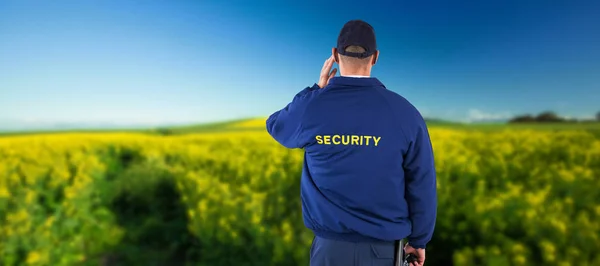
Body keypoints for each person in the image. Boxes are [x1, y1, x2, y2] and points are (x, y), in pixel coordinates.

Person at [266, 19, 437, 266]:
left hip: (329, 252)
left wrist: (316, 89)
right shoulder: (405, 113)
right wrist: (419, 241)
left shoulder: (313, 107)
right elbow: (422, 182)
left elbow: (276, 125)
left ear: (335, 55)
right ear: (375, 57)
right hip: (385, 254)